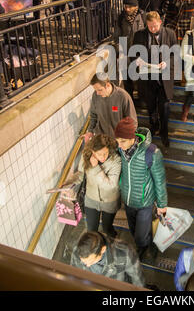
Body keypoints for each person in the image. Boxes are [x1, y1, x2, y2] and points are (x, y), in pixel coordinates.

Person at [114, 117, 168, 260]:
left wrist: (162, 204)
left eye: (123, 141)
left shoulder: (151, 152)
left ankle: (145, 247)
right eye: (117, 141)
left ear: (132, 138)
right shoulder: (120, 150)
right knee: (133, 229)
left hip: (145, 201)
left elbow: (160, 180)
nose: (119, 145)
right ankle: (143, 244)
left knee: (140, 234)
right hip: (128, 199)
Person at [63, 134, 121, 237]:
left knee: (107, 229)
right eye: (99, 154)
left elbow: (110, 185)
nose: (103, 157)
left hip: (109, 201)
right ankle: (95, 250)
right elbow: (81, 174)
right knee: (91, 230)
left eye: (105, 153)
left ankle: (112, 244)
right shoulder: (86, 157)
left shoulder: (115, 160)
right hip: (91, 199)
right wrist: (68, 183)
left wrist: (95, 167)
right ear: (93, 152)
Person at [133, 11, 177, 147]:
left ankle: (164, 132)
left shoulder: (170, 33)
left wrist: (166, 63)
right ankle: (154, 126)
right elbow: (134, 54)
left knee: (164, 107)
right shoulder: (139, 35)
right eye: (150, 26)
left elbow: (175, 54)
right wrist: (137, 61)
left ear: (160, 23)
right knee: (151, 106)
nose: (152, 29)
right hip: (147, 78)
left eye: (155, 26)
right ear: (146, 24)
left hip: (164, 78)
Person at [71, 231, 145, 287]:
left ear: (103, 249)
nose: (87, 265)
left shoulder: (124, 253)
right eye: (84, 262)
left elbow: (137, 278)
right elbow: (74, 275)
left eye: (91, 261)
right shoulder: (77, 251)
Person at [84, 74, 137, 142]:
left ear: (108, 85)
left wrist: (124, 140)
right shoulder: (95, 95)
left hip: (118, 140)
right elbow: (94, 115)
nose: (97, 93)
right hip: (102, 139)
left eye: (100, 90)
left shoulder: (123, 96)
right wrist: (90, 131)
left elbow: (132, 122)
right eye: (96, 90)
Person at [113, 0, 146, 98]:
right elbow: (117, 35)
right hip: (125, 52)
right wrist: (119, 49)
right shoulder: (121, 17)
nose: (127, 9)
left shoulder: (143, 16)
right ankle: (130, 99)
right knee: (127, 78)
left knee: (140, 77)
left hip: (139, 53)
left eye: (130, 7)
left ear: (135, 6)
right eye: (125, 7)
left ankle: (142, 97)